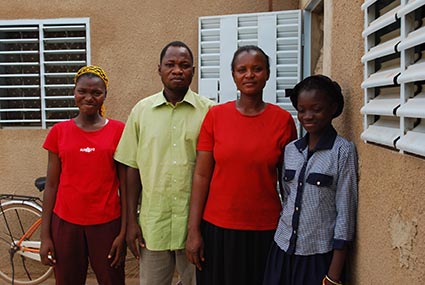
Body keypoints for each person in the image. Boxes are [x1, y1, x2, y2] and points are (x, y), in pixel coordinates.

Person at [185, 45, 297, 285]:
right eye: (242, 69)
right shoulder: (216, 117)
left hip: (266, 230)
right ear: (233, 75)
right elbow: (201, 176)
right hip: (218, 229)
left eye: (257, 69)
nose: (249, 75)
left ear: (267, 74)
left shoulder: (283, 121)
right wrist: (193, 231)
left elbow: (289, 183)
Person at [114, 41, 214, 285]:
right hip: (153, 225)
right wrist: (130, 223)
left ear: (193, 69)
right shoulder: (141, 111)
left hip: (197, 226)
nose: (177, 70)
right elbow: (131, 168)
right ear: (158, 69)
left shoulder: (210, 112)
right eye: (170, 65)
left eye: (184, 65)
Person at [262, 75, 358, 285]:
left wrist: (333, 275)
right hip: (282, 250)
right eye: (302, 109)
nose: (308, 116)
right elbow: (288, 197)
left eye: (316, 109)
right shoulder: (291, 150)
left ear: (332, 108)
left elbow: (345, 214)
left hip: (318, 256)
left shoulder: (342, 151)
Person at [40, 65, 127, 285]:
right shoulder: (59, 132)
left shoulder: (118, 131)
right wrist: (45, 236)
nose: (89, 97)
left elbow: (126, 187)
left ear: (105, 96)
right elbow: (51, 185)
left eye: (96, 93)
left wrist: (124, 231)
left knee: (112, 279)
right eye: (83, 91)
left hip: (107, 224)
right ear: (74, 92)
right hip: (65, 224)